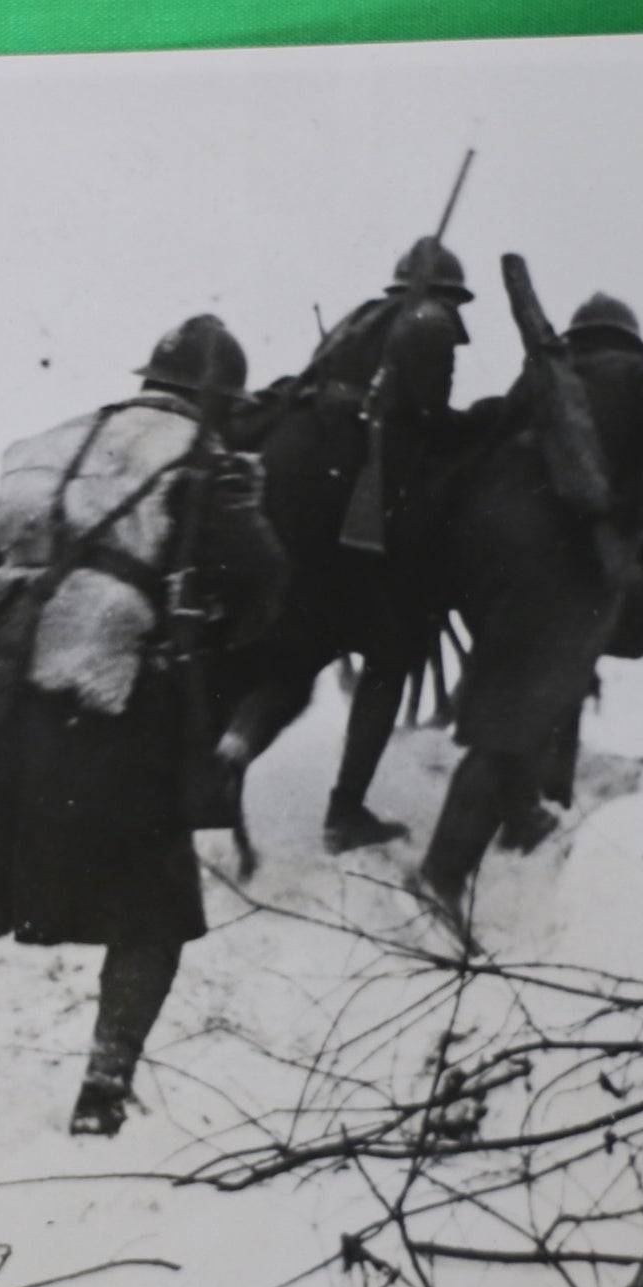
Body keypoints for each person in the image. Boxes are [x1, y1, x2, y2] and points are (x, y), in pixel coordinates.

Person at [0, 314, 287, 1135]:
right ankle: (103, 1089)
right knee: (154, 911)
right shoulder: (207, 463)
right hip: (102, 715)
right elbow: (263, 590)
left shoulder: (58, 442)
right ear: (219, 401)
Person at [416, 293, 643, 932]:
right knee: (513, 715)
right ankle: (440, 875)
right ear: (629, 338)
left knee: (529, 687)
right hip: (559, 559)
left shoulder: (545, 372)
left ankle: (523, 814)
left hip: (481, 548)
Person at [233, 237, 481, 853]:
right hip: (356, 498)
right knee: (393, 653)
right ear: (448, 296)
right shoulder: (432, 324)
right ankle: (345, 810)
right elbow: (427, 419)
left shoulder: (358, 323)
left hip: (294, 478)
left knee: (295, 651)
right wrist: (479, 421)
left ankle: (234, 744)